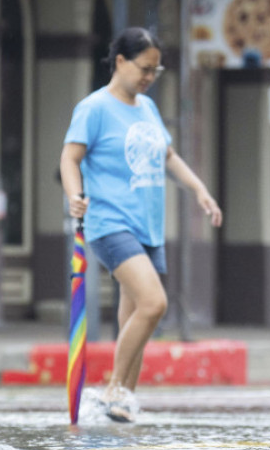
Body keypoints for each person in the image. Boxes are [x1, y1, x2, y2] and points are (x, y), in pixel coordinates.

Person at [59, 27, 223, 422]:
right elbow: (69, 157)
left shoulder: (147, 108)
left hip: (148, 225)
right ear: (120, 61)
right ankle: (113, 388)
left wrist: (199, 189)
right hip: (110, 222)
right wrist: (74, 196)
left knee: (134, 315)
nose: (149, 77)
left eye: (156, 70)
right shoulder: (94, 108)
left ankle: (124, 399)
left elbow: (167, 156)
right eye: (144, 68)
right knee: (154, 304)